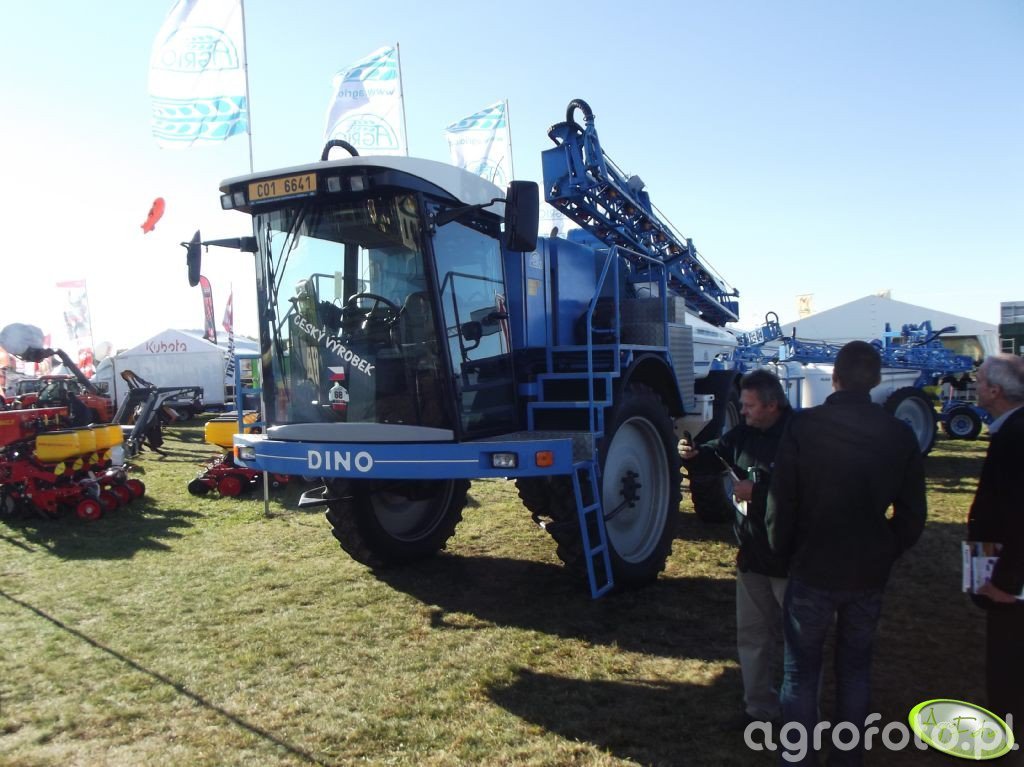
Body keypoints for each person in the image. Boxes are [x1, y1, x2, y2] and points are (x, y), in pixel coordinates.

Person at [765, 340, 927, 765]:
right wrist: (886, 548)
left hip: (812, 566)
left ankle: (799, 759)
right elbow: (913, 516)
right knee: (855, 670)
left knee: (801, 673)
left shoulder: (803, 427)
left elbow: (781, 502)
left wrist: (783, 551)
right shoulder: (899, 433)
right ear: (876, 381)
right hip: (867, 571)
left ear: (834, 377)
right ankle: (847, 758)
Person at [679, 369, 792, 728]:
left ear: (772, 405)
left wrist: (759, 493)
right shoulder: (743, 434)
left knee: (800, 645)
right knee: (753, 637)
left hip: (792, 560)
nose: (741, 411)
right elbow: (718, 451)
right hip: (753, 555)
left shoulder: (800, 438)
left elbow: (811, 493)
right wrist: (693, 453)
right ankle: (759, 710)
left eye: (749, 406)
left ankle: (801, 716)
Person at [966, 353, 1024, 744]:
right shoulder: (1012, 429)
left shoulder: (1015, 437)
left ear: (995, 391)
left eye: (980, 381)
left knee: (1008, 664)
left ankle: (1008, 741)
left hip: (1012, 584)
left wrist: (1005, 581)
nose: (975, 386)